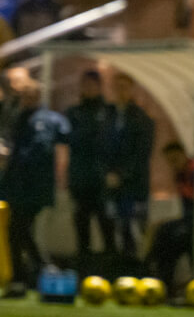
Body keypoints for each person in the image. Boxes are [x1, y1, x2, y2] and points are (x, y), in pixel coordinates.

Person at [0, 81, 69, 298]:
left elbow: (41, 149)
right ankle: (34, 274)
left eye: (29, 95)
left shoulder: (45, 120)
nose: (25, 99)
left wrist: (12, 157)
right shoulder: (19, 118)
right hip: (18, 186)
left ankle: (41, 270)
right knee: (19, 231)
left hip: (32, 187)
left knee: (19, 230)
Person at [63, 70, 116, 265]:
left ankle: (111, 262)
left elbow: (109, 142)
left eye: (92, 84)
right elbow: (73, 139)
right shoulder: (73, 112)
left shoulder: (110, 111)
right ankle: (83, 260)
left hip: (102, 178)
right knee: (81, 220)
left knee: (106, 220)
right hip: (80, 177)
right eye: (85, 84)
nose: (88, 88)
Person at [108, 72, 155, 265]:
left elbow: (141, 154)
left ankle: (139, 267)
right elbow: (101, 148)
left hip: (133, 186)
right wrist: (106, 173)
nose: (121, 91)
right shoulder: (109, 116)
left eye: (125, 87)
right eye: (117, 86)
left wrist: (122, 175)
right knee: (118, 227)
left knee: (134, 227)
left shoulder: (142, 119)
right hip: (112, 186)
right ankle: (120, 266)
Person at [146, 141, 194, 295]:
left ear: (183, 155)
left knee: (167, 233)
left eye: (175, 160)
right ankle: (162, 283)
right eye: (170, 161)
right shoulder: (180, 175)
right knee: (163, 234)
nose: (172, 164)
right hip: (189, 220)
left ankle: (162, 281)